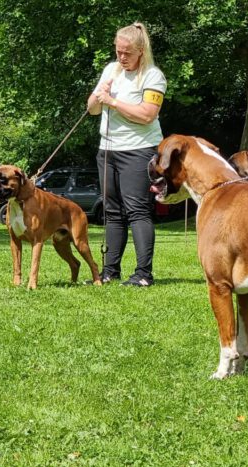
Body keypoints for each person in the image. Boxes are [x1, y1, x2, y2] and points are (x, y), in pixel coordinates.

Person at [86, 22, 166, 287]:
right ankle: (110, 272)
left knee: (138, 211)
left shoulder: (153, 76)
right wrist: (99, 97)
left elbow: (147, 115)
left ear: (141, 51)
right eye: (118, 51)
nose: (121, 57)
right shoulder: (111, 70)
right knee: (112, 211)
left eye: (127, 53)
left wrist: (113, 102)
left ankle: (144, 274)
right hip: (107, 149)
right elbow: (93, 109)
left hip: (138, 150)